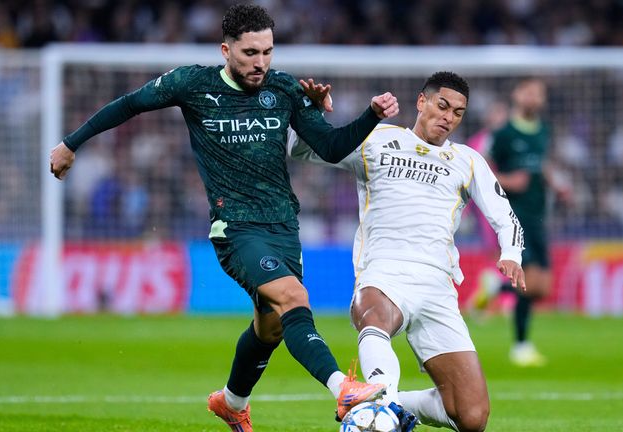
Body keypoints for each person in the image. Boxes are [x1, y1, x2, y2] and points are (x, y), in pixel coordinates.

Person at [49, 4, 399, 432]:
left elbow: (329, 147)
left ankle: (232, 403)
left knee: (270, 329)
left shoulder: (284, 90)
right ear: (226, 50)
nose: (261, 62)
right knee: (293, 299)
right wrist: (72, 143)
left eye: (268, 52)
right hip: (235, 227)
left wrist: (370, 116)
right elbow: (129, 105)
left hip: (283, 224)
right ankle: (342, 388)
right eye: (251, 53)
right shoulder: (192, 84)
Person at [290, 72, 526, 432]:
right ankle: (379, 405)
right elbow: (302, 148)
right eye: (442, 106)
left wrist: (511, 253)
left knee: (472, 416)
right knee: (373, 314)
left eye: (458, 113)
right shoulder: (376, 139)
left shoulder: (467, 160)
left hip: (437, 286)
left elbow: (504, 215)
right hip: (384, 271)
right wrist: (309, 112)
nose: (448, 117)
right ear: (422, 102)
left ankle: (382, 405)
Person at [485, 77, 570, 367]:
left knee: (542, 288)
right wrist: (509, 181)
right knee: (528, 281)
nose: (534, 98)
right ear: (517, 94)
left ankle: (494, 290)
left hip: (538, 212)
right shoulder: (503, 133)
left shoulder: (543, 130)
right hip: (513, 213)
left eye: (539, 94)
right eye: (529, 92)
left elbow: (540, 162)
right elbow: (480, 170)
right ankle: (521, 346)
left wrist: (556, 183)